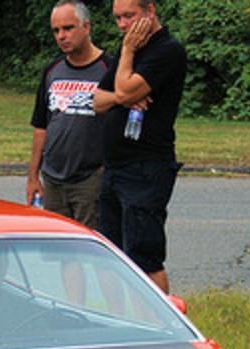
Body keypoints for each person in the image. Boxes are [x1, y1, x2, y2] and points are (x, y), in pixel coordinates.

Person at [92, 0, 186, 294]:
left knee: (144, 257)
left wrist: (128, 56)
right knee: (111, 255)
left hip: (145, 167)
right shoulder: (127, 50)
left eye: (129, 16)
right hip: (115, 167)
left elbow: (122, 90)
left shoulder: (167, 50)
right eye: (118, 18)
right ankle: (118, 318)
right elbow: (98, 100)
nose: (123, 25)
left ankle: (162, 320)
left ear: (150, 11)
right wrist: (122, 95)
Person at [27, 1, 113, 229]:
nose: (61, 36)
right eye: (56, 31)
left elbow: (122, 123)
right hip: (53, 179)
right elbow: (40, 126)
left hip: (90, 180)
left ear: (86, 27)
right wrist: (33, 176)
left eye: (68, 28)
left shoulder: (109, 68)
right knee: (57, 243)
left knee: (88, 243)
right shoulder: (52, 70)